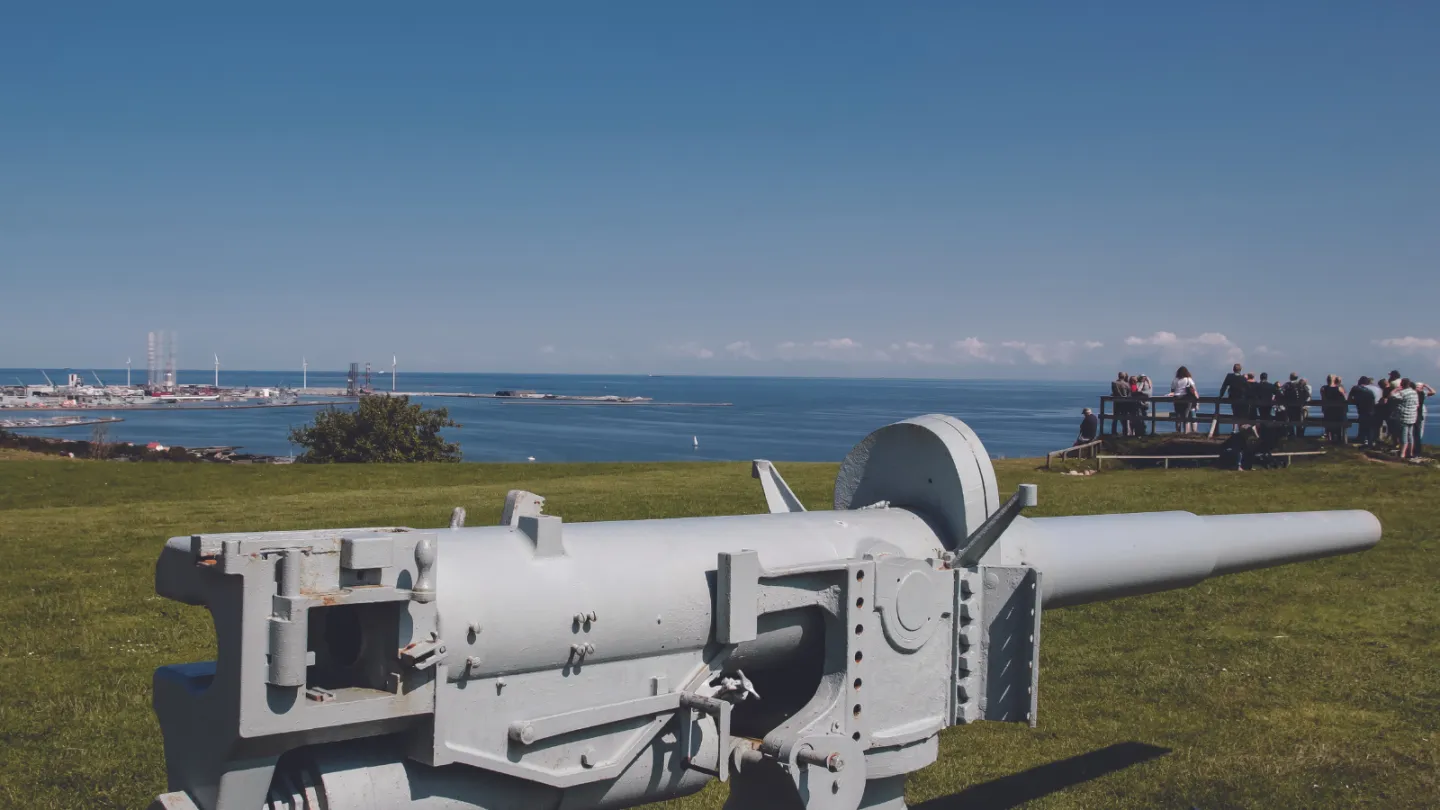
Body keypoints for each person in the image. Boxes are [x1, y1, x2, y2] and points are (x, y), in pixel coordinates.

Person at [1391, 379, 1419, 459]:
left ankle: (1402, 454)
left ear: (1402, 384)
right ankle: (1410, 452)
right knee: (1410, 435)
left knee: (1403, 435)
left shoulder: (1402, 393)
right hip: (1413, 416)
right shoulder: (1414, 392)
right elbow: (1417, 405)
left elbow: (1391, 396)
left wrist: (1396, 389)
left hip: (1404, 416)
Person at [1217, 363, 1248, 430]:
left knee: (1234, 413)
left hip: (1233, 397)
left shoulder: (1229, 376)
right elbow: (1247, 389)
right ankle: (1241, 429)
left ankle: (1234, 430)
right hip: (1241, 398)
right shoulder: (1243, 378)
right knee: (1241, 414)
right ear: (1240, 370)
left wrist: (1221, 395)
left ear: (1233, 369)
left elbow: (1224, 386)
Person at [1170, 366, 1198, 434]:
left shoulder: (1175, 380)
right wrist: (1197, 401)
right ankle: (1188, 432)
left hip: (1177, 399)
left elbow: (1172, 390)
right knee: (1187, 415)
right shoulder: (1188, 379)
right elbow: (1194, 389)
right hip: (1187, 399)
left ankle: (1178, 431)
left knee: (1178, 415)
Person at [1320, 375, 1347, 444]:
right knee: (1338, 426)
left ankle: (1330, 439)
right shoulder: (1339, 388)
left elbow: (1323, 399)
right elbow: (1345, 398)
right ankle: (1339, 440)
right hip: (1338, 410)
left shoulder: (1323, 388)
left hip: (1328, 410)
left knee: (1329, 426)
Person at [1415, 381, 1435, 451]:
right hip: (1419, 412)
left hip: (1419, 411)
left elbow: (1433, 392)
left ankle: (1417, 441)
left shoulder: (1421, 393)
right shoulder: (1421, 393)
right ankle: (1417, 442)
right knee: (1419, 427)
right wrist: (1426, 386)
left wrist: (1426, 386)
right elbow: (1433, 392)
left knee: (1419, 427)